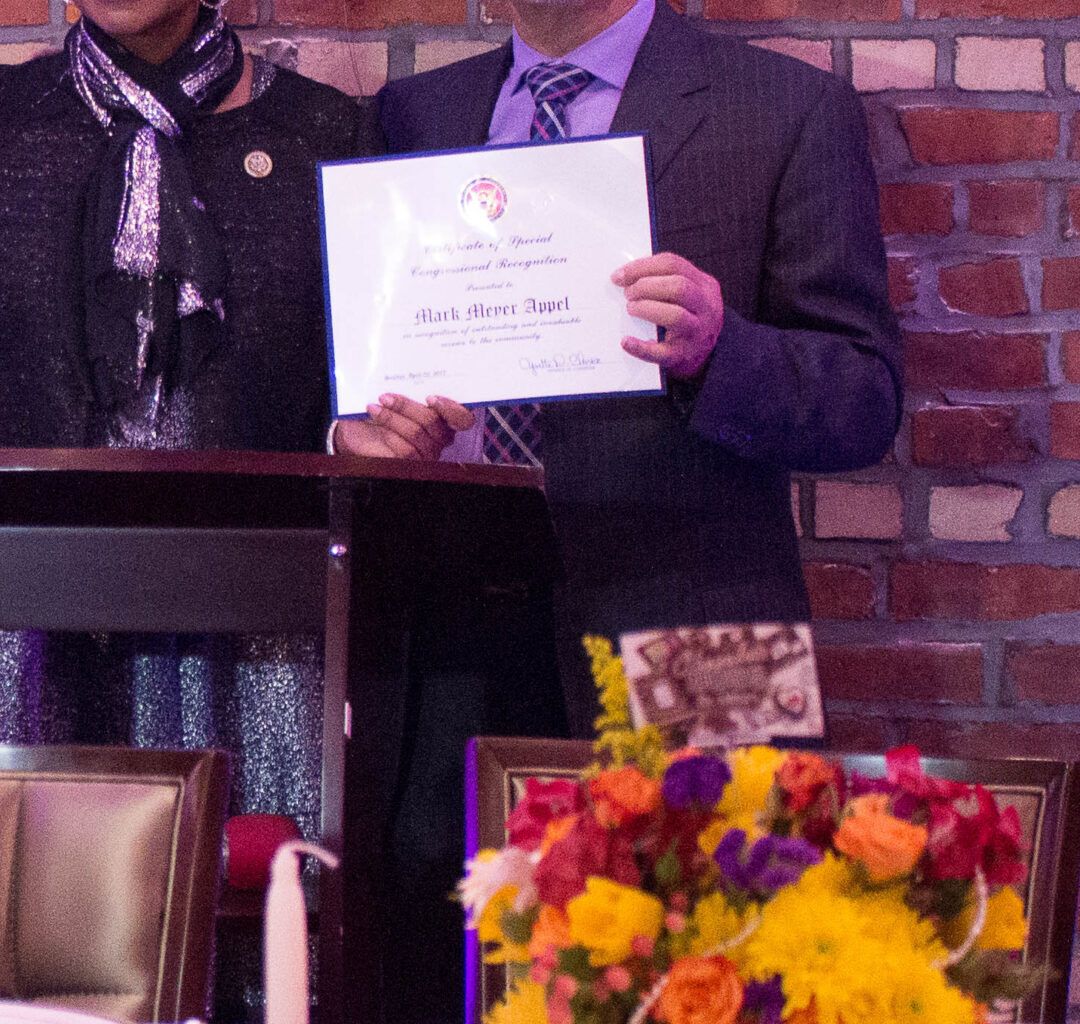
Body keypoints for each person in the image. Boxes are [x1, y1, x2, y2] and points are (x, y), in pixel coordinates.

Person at [0, 0, 460, 878]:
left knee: (251, 923)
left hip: (254, 630)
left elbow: (367, 385)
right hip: (12, 620)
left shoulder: (324, 131)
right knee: (23, 913)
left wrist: (365, 436)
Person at [372, 0, 904, 1019]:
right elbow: (361, 358)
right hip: (450, 644)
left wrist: (721, 350)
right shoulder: (412, 116)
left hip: (705, 636)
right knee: (439, 972)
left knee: (711, 968)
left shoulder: (790, 108)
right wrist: (360, 432)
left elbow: (863, 402)